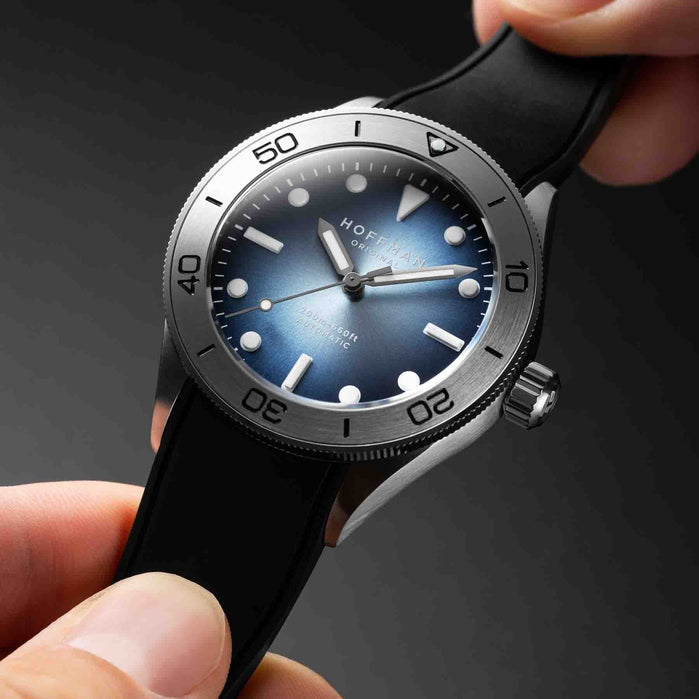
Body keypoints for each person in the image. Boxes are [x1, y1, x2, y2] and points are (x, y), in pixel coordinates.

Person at [1, 1, 696, 696]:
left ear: (515, 382)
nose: (352, 282)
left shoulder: (513, 200)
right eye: (345, 272)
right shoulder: (375, 139)